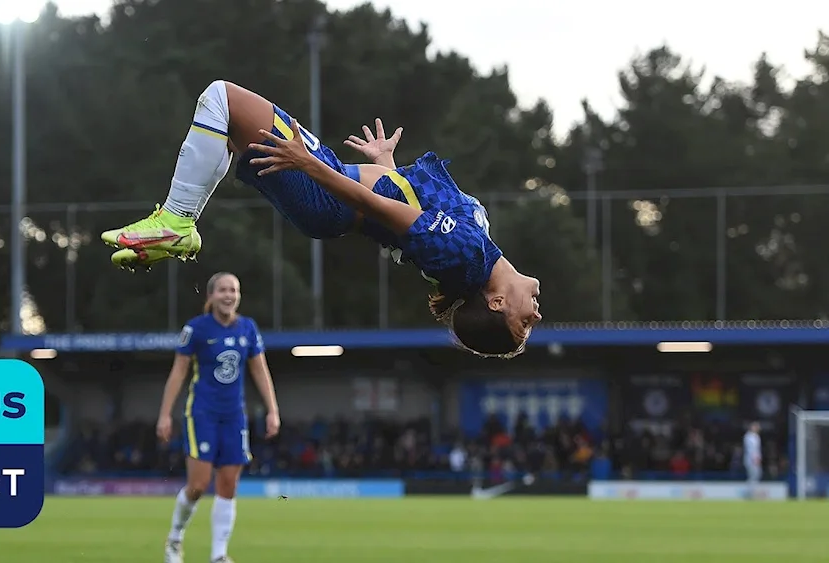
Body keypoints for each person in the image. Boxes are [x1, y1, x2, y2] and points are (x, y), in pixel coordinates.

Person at [101, 80, 542, 358]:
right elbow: (404, 206)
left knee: (222, 99)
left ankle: (178, 221)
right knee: (232, 127)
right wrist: (387, 166)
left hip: (329, 193)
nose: (535, 318)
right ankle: (178, 223)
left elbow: (379, 208)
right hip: (333, 190)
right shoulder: (475, 253)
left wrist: (310, 165)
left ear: (498, 303)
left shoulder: (464, 256)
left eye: (523, 324)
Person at [156, 271, 281, 563]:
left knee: (229, 485)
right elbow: (179, 372)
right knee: (198, 485)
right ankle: (175, 538)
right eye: (223, 290)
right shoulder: (196, 329)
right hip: (202, 412)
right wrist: (165, 414)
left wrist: (272, 409)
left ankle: (219, 555)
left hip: (234, 415)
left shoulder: (247, 328)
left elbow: (260, 370)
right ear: (211, 296)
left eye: (234, 290)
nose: (229, 295)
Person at [743, 421, 762, 499]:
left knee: (756, 475)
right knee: (752, 476)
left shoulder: (756, 436)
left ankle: (753, 492)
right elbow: (751, 449)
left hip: (756, 458)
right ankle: (751, 493)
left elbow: (757, 449)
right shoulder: (748, 436)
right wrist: (755, 458)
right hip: (751, 459)